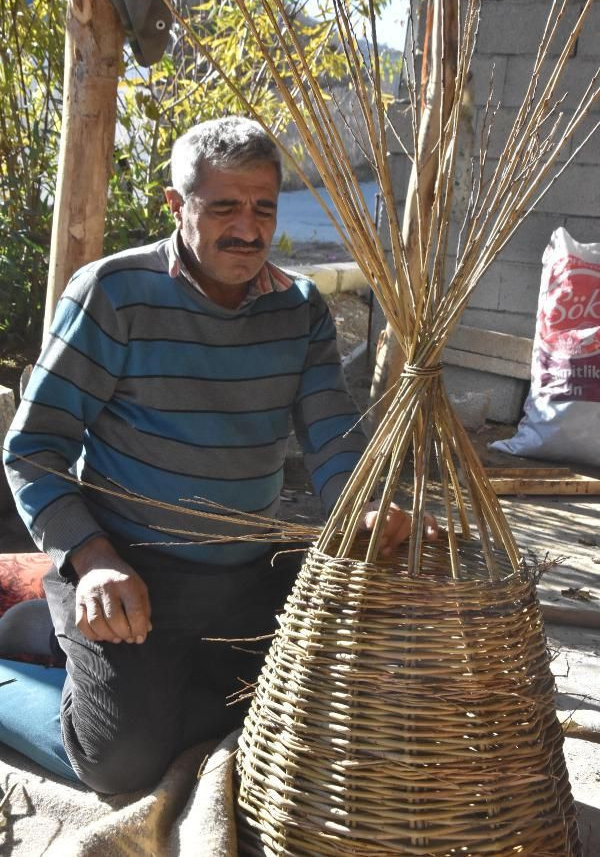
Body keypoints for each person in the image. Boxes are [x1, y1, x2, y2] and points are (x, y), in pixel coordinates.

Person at [2, 117, 436, 794]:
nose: (249, 227)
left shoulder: (298, 309)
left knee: (332, 710)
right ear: (177, 205)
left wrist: (367, 506)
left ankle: (72, 646)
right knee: (121, 764)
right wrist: (93, 563)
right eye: (224, 205)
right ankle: (25, 664)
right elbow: (34, 447)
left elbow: (331, 437)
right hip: (127, 569)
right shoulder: (114, 295)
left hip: (245, 570)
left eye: (263, 206)